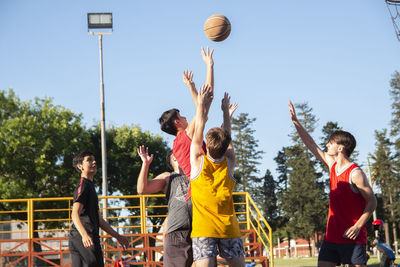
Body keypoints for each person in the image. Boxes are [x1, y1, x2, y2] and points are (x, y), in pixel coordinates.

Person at [288, 101, 377, 267]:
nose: (327, 144)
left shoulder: (355, 173)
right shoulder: (332, 165)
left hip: (353, 236)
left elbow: (372, 201)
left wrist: (358, 226)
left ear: (341, 148)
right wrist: (296, 121)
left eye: (331, 142)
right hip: (332, 236)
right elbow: (310, 143)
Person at [190, 87, 245, 267]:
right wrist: (226, 115)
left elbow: (198, 129)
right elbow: (227, 138)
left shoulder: (198, 161)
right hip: (228, 227)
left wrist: (200, 105)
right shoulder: (229, 162)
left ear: (207, 145)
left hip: (203, 229)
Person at [159, 47, 214, 185]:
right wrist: (209, 66)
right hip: (202, 188)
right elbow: (204, 103)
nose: (185, 117)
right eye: (181, 116)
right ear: (177, 122)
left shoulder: (178, 143)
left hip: (198, 189)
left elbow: (203, 107)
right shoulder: (184, 137)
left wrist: (193, 88)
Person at [69, 151, 129, 267]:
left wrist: (118, 236)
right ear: (80, 166)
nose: (94, 162)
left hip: (86, 237)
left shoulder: (90, 186)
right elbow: (74, 214)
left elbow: (100, 220)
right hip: (83, 237)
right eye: (89, 160)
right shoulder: (83, 185)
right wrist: (84, 235)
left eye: (94, 159)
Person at [136, 146, 193, 267]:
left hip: (199, 231)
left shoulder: (196, 172)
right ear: (174, 157)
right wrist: (145, 164)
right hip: (177, 231)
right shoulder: (168, 177)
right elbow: (142, 189)